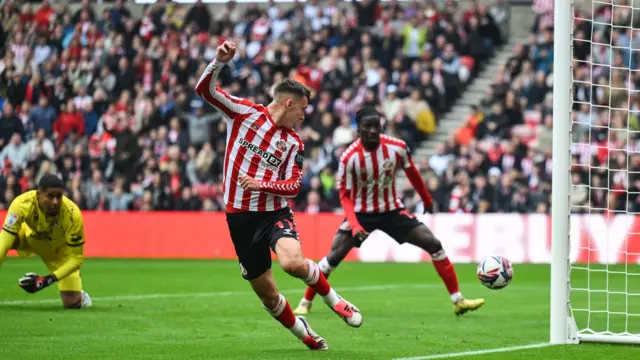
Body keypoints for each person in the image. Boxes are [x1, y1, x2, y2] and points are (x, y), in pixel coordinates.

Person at [194, 41, 362, 351]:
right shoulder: (243, 113)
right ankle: (304, 333)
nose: (303, 117)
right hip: (239, 220)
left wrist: (261, 184)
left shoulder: (293, 144)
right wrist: (217, 61)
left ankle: (335, 300)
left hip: (273, 214)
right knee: (267, 295)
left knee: (293, 263)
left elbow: (294, 186)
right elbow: (204, 91)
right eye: (303, 108)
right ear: (288, 103)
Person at [293, 107, 485, 316]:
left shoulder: (397, 147)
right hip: (360, 213)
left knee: (434, 244)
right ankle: (306, 302)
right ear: (359, 130)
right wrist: (355, 226)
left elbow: (412, 173)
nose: (374, 131)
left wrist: (427, 199)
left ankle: (458, 300)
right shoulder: (349, 157)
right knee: (333, 257)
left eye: (377, 126)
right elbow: (345, 196)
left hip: (391, 210)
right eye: (368, 127)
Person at [0, 174, 92, 309]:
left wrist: (46, 280)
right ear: (38, 194)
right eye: (50, 196)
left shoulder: (72, 214)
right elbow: (3, 243)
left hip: (59, 253)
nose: (55, 201)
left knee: (72, 303)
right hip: (29, 239)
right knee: (8, 237)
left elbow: (77, 258)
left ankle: (80, 295)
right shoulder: (21, 204)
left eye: (59, 196)